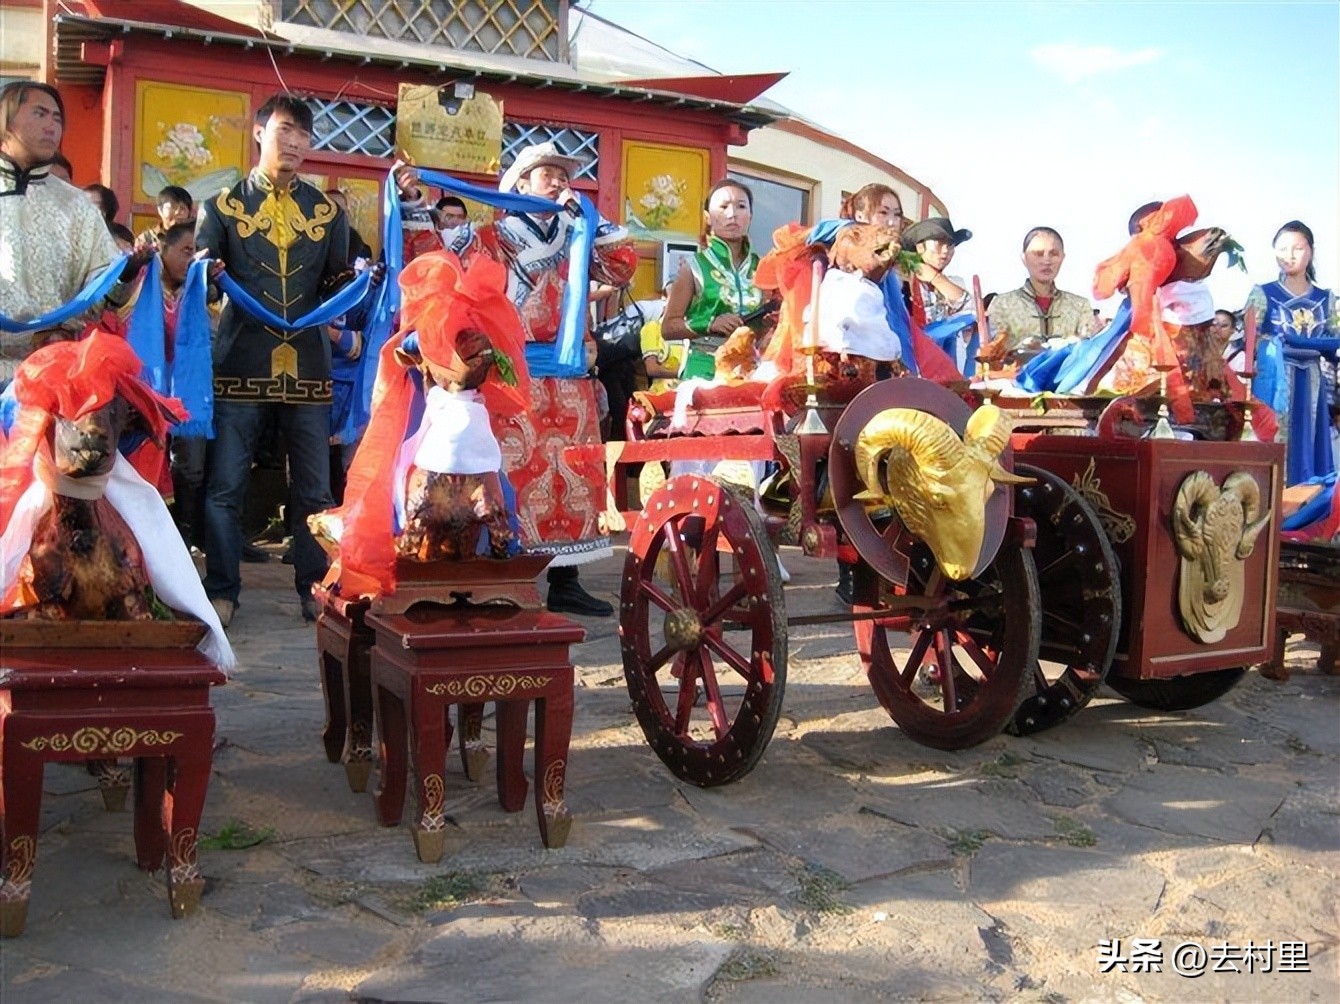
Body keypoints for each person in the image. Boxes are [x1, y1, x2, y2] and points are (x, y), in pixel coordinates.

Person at [394, 142, 638, 616]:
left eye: (563, 174)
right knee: (509, 470)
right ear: (520, 185)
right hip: (513, 374)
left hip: (569, 374)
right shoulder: (491, 236)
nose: (558, 180)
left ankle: (566, 579)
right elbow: (431, 254)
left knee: (575, 472)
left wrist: (590, 217)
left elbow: (622, 267)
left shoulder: (577, 233)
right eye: (546, 172)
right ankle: (505, 571)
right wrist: (411, 202)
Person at [196, 93, 354, 627]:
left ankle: (313, 587)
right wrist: (202, 271)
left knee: (313, 488)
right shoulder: (219, 206)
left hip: (308, 364)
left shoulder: (328, 211)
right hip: (241, 360)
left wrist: (357, 282)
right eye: (285, 130)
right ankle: (222, 588)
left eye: (303, 135)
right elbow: (201, 288)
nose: (294, 143)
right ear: (259, 131)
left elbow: (334, 283)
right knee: (226, 485)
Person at [0, 81, 123, 381]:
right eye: (40, 114)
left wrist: (125, 275)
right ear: (5, 120)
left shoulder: (76, 204)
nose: (51, 126)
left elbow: (101, 289)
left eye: (57, 119)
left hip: (54, 371)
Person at [1245, 221, 1338, 484]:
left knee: (1308, 446)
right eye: (1282, 249)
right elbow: (1248, 342)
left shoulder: (1325, 298)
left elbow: (1334, 344)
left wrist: (1315, 345)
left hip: (1311, 380)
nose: (1290, 255)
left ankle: (1306, 513)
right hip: (1274, 381)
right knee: (1273, 443)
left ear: (1311, 251)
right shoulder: (1263, 294)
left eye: (1297, 248)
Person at [661, 179, 766, 381]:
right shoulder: (693, 267)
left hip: (752, 372)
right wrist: (710, 323)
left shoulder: (763, 267)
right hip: (705, 371)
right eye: (723, 207)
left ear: (750, 216)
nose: (732, 214)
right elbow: (668, 328)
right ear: (708, 217)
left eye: (741, 206)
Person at [985, 226, 1096, 362]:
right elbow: (996, 351)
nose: (1046, 261)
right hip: (1015, 378)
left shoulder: (1080, 306)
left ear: (1062, 257)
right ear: (1024, 258)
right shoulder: (1002, 304)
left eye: (1053, 253)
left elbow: (1088, 350)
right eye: (1038, 254)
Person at [325, 189, 372, 264]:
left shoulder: (357, 245)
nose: (335, 215)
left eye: (340, 210)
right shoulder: (306, 242)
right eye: (330, 210)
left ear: (347, 214)